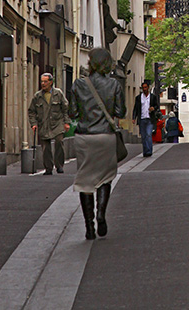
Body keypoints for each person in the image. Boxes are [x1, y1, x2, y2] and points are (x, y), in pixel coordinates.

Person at [69, 47, 126, 240]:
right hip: (106, 136)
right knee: (105, 177)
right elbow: (121, 112)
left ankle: (89, 226)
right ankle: (101, 213)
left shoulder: (78, 84)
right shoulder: (114, 85)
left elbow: (73, 113)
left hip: (84, 137)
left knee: (85, 180)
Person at [28, 72, 70, 175]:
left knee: (59, 142)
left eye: (45, 81)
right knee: (46, 147)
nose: (43, 83)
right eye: (42, 81)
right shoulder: (37, 96)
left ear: (51, 82)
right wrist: (33, 123)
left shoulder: (58, 93)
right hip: (44, 124)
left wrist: (66, 122)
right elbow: (31, 111)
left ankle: (59, 165)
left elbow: (65, 108)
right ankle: (48, 168)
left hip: (57, 123)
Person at [132, 80, 158, 157]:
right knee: (143, 136)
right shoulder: (138, 98)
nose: (144, 89)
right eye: (143, 88)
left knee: (148, 135)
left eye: (146, 87)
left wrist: (153, 108)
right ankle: (145, 151)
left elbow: (157, 106)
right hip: (142, 119)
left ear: (148, 88)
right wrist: (134, 117)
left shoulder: (153, 97)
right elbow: (136, 108)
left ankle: (149, 151)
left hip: (150, 119)